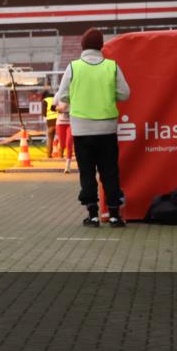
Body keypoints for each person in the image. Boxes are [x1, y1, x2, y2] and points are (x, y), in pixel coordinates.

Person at [56, 28, 131, 228]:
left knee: (87, 172)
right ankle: (114, 214)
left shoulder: (73, 67)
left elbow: (62, 97)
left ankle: (93, 214)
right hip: (107, 128)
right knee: (110, 171)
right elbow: (125, 94)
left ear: (82, 46)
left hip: (82, 129)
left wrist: (77, 97)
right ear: (101, 46)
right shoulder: (112, 66)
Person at [54, 100, 74, 173]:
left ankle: (67, 166)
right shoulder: (58, 95)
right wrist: (60, 108)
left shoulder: (73, 93)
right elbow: (52, 107)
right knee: (63, 145)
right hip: (61, 123)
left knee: (69, 143)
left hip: (71, 123)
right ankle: (58, 143)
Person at [43, 86, 57, 157]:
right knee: (61, 138)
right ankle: (61, 154)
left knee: (50, 138)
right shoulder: (56, 99)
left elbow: (44, 113)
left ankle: (49, 154)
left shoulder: (45, 100)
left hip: (50, 122)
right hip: (58, 120)